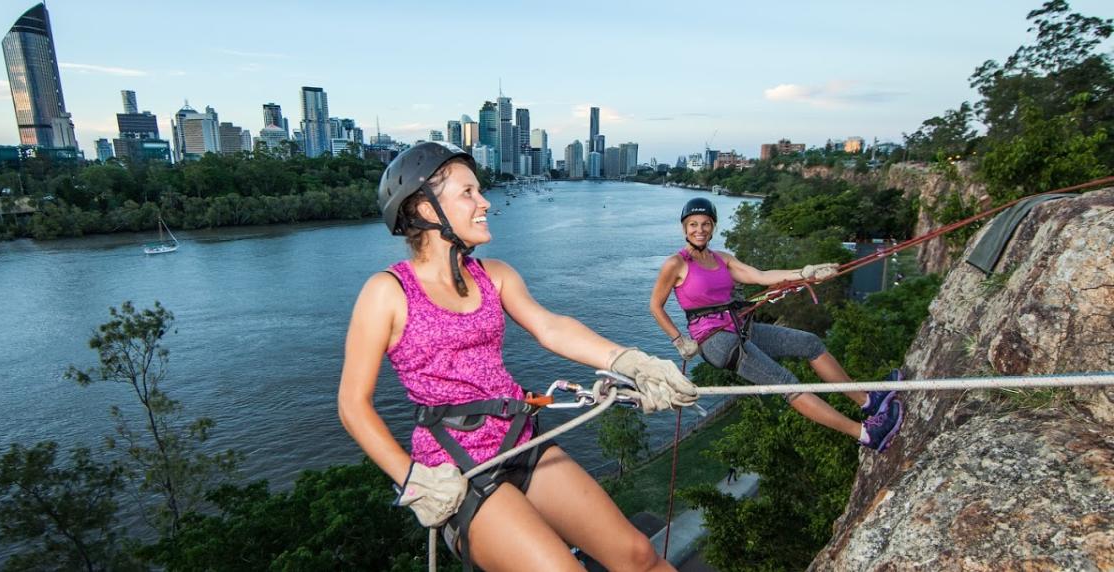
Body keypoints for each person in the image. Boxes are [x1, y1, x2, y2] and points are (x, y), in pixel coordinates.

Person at [338, 142, 699, 572]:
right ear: (427, 209)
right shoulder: (387, 292)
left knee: (638, 554)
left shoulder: (494, 276)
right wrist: (411, 479)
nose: (485, 202)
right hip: (456, 468)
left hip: (519, 439)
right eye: (468, 193)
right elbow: (352, 404)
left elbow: (551, 327)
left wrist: (628, 360)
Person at [648, 197, 903, 452]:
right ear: (684, 228)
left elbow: (761, 276)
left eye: (705, 224)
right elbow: (656, 306)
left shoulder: (722, 259)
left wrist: (805, 273)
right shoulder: (676, 264)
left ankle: (868, 401)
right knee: (786, 382)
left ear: (713, 227)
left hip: (741, 329)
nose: (699, 230)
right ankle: (867, 434)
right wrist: (679, 340)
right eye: (693, 224)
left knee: (810, 344)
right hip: (716, 342)